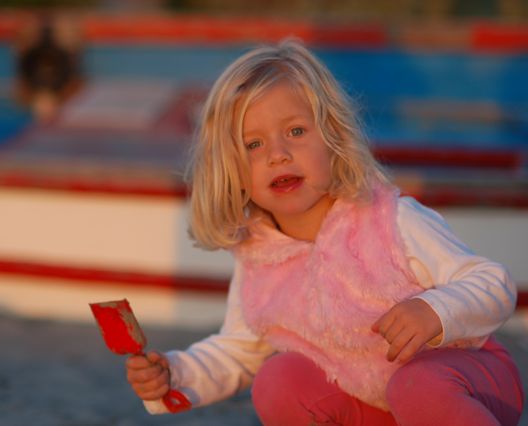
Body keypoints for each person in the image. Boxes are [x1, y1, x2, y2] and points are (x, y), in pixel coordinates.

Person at [124, 39, 524, 425]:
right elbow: (237, 352)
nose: (278, 154)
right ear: (231, 171)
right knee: (278, 380)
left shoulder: (390, 219)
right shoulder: (259, 258)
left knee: (418, 385)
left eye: (296, 132)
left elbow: (493, 283)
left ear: (334, 138)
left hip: (469, 384)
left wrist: (436, 310)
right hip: (379, 408)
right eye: (253, 144)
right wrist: (175, 372)